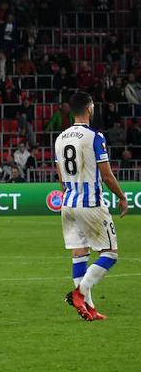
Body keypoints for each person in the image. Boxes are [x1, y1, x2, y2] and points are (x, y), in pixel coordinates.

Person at [58, 91, 128, 321]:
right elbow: (106, 175)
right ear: (89, 108)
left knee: (80, 255)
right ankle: (80, 294)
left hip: (68, 203)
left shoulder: (60, 138)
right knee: (110, 253)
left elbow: (60, 177)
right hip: (90, 203)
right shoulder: (94, 136)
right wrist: (121, 196)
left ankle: (88, 310)